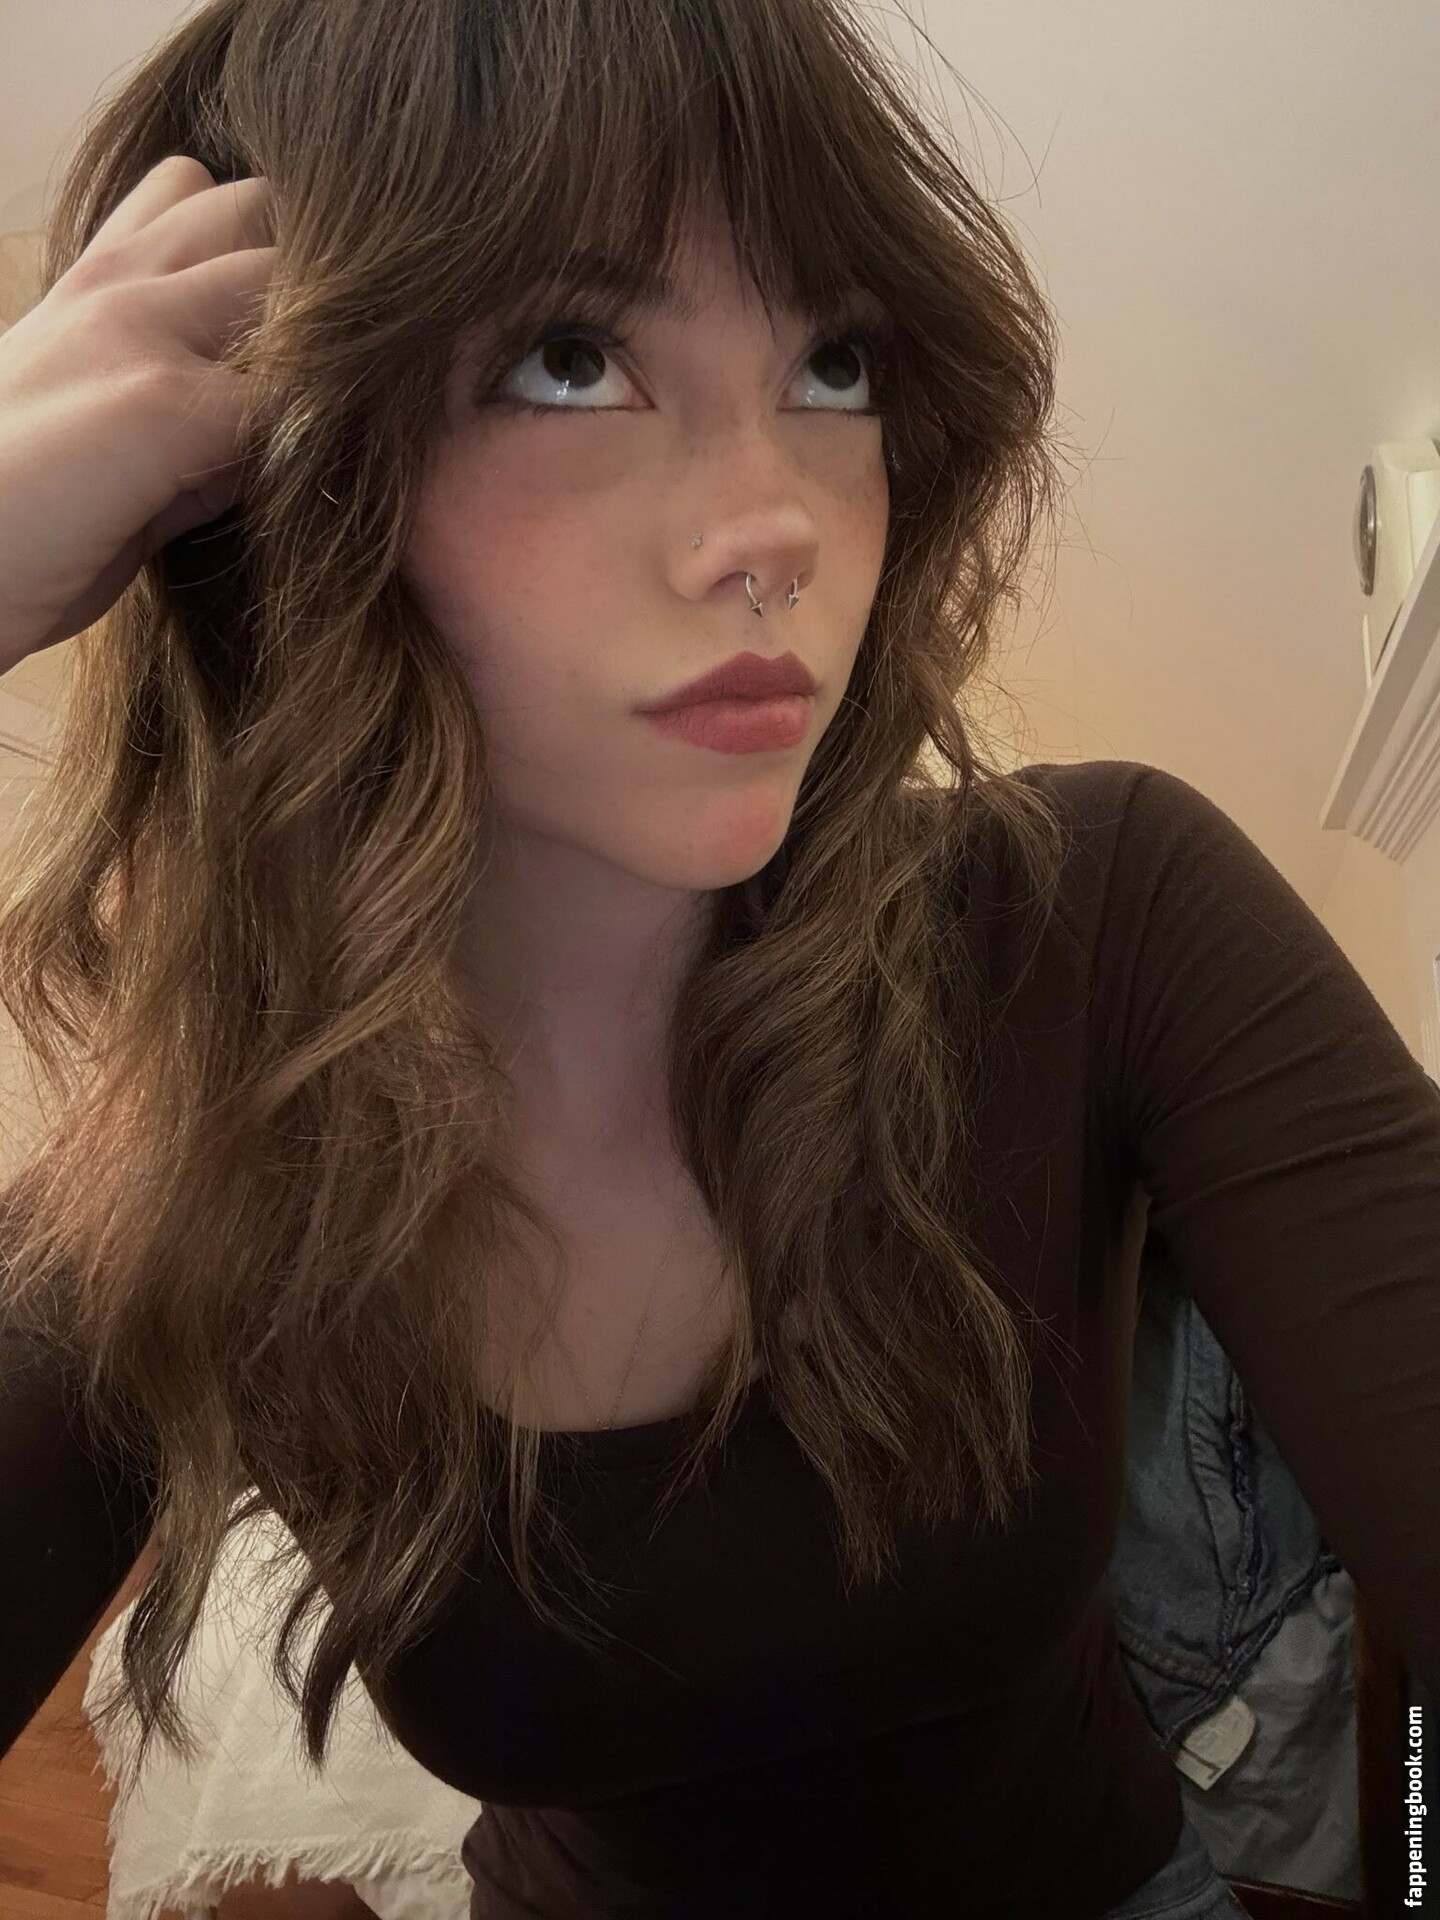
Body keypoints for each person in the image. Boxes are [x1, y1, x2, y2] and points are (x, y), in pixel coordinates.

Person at [0, 1, 1435, 1916]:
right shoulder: (204, 1162)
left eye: (835, 363)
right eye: (572, 360)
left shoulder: (1099, 907)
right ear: (283, 470)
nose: (776, 526)